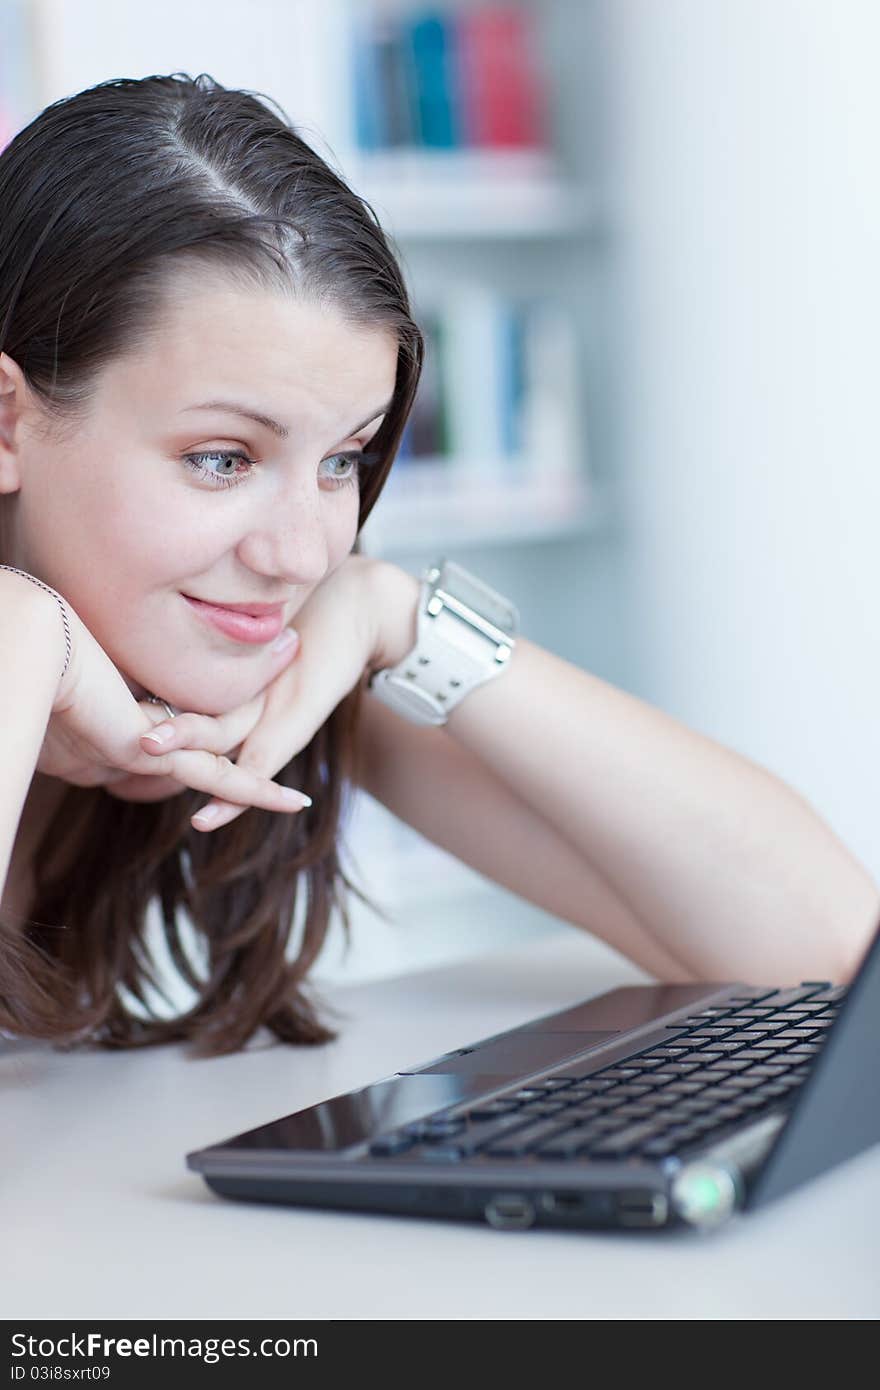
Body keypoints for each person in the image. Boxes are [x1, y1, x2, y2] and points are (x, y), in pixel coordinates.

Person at [0, 74, 876, 1057]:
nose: (298, 554)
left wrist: (395, 615)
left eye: (343, 460)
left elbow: (827, 956)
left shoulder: (265, 661)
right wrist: (22, 635)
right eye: (223, 459)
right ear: (9, 420)